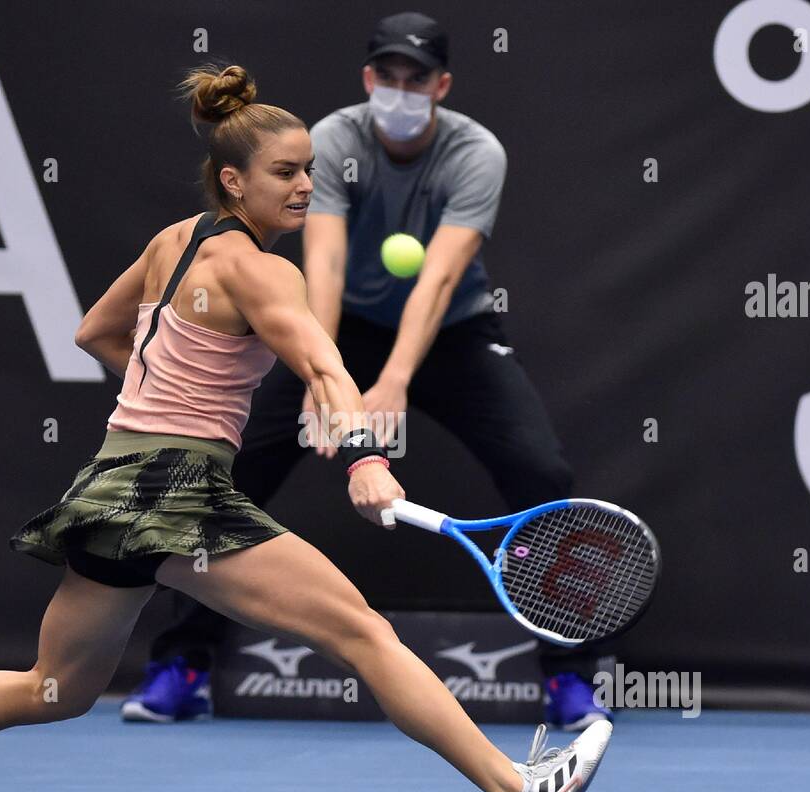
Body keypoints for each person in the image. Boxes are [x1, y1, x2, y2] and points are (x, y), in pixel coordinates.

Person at [0, 63, 611, 792]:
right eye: (286, 172)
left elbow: (94, 329)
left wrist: (160, 399)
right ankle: (516, 790)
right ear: (235, 179)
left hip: (108, 485)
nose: (307, 184)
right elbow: (324, 366)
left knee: (52, 688)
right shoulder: (261, 272)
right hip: (181, 493)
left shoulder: (173, 241)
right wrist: (362, 458)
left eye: (311, 168)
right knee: (363, 631)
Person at [126, 12, 617, 730]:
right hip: (337, 323)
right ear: (367, 79)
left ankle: (569, 677)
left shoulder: (477, 153)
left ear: (441, 86)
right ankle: (184, 663)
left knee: (542, 475)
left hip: (451, 330)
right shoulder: (331, 141)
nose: (399, 89)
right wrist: (326, 371)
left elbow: (439, 280)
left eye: (416, 78)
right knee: (230, 476)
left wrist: (390, 383)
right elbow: (320, 263)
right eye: (386, 76)